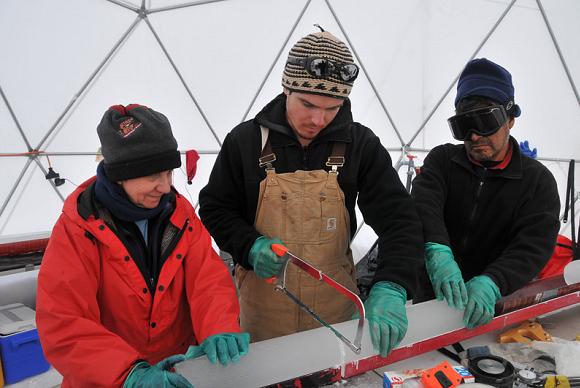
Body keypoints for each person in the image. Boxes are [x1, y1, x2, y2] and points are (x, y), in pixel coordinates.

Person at [198, 28, 423, 357]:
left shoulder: (360, 145)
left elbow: (400, 220)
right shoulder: (245, 142)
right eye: (308, 104)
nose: (318, 119)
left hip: (335, 315)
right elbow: (216, 208)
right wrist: (249, 245)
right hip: (262, 313)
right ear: (286, 87)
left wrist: (392, 283)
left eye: (333, 108)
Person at [36, 104, 249, 387]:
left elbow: (207, 281)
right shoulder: (78, 229)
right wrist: (129, 374)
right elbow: (64, 322)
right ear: (120, 174)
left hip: (179, 374)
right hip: (108, 378)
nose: (164, 187)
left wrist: (219, 328)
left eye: (169, 174)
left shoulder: (180, 216)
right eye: (153, 176)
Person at [411, 58, 560, 329]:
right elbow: (424, 204)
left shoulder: (537, 182)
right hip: (432, 302)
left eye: (485, 122)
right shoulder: (443, 161)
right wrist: (437, 250)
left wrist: (494, 281)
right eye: (464, 127)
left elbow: (532, 246)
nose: (475, 137)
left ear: (510, 119)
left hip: (495, 309)